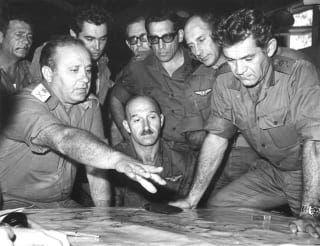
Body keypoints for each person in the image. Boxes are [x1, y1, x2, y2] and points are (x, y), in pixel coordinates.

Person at [171, 9, 320, 238]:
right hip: (272, 171)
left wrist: (310, 211)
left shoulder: (299, 72)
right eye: (231, 60)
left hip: (310, 173)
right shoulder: (225, 82)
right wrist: (191, 199)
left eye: (248, 58)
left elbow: (315, 142)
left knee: (308, 231)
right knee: (218, 208)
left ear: (268, 49)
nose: (239, 71)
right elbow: (217, 139)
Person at [0, 36, 165, 209]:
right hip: (13, 204)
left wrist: (102, 215)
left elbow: (95, 167)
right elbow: (63, 138)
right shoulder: (24, 104)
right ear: (48, 73)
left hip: (61, 205)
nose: (85, 79)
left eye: (88, 70)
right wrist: (116, 159)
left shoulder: (90, 105)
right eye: (74, 70)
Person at [182, 13, 259, 201]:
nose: (197, 51)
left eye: (201, 40)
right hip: (214, 158)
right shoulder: (194, 81)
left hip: (255, 156)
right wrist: (221, 136)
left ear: (217, 34)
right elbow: (192, 135)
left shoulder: (250, 67)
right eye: (191, 46)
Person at [111, 9, 199, 151]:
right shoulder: (138, 67)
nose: (161, 46)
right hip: (163, 153)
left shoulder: (198, 62)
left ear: (180, 35)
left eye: (167, 37)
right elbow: (116, 99)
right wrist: (131, 140)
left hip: (198, 150)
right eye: (154, 39)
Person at [111, 96, 196, 207]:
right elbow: (111, 210)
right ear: (127, 126)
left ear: (161, 120)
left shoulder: (184, 158)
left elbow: (187, 206)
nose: (146, 127)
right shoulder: (113, 161)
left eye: (152, 117)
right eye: (137, 120)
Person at [110, 15, 151, 146]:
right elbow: (115, 104)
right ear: (128, 45)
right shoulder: (127, 73)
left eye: (144, 37)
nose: (139, 44)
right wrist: (131, 142)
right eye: (133, 39)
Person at [0, 12, 33, 94]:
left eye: (29, 37)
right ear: (1, 37)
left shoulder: (31, 69)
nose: (26, 41)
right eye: (19, 35)